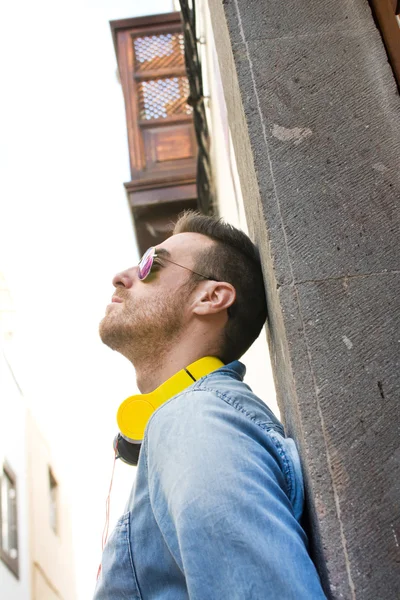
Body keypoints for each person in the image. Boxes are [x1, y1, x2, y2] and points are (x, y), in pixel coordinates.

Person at [94, 211, 326, 599]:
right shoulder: (191, 424)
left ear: (211, 297)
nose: (122, 276)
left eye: (151, 264)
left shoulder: (194, 421)